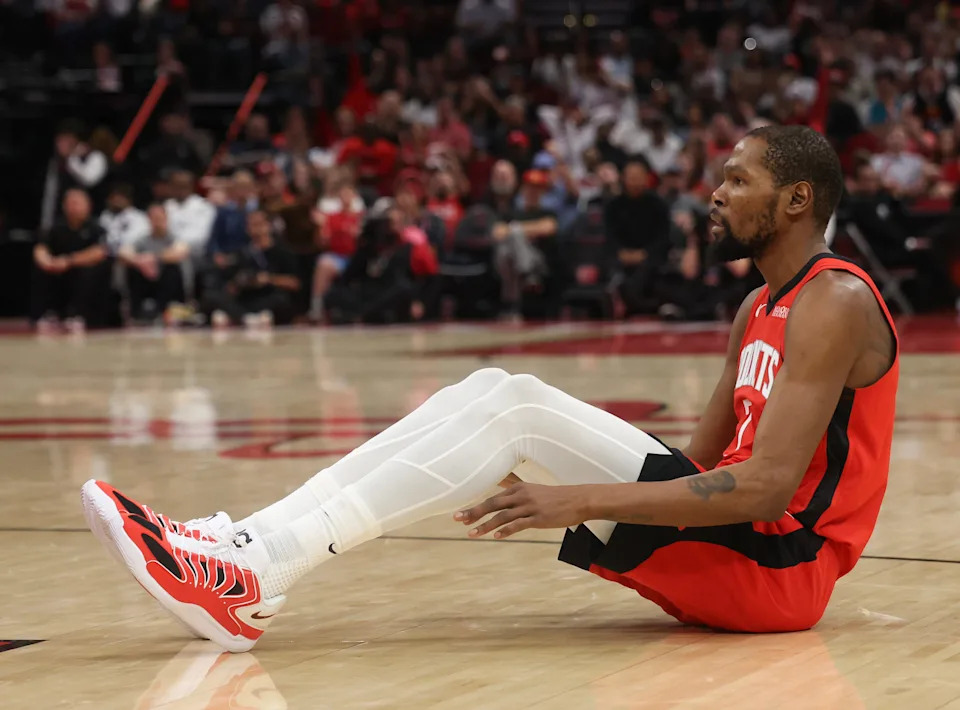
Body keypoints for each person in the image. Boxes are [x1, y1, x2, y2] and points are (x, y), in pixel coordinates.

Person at [82, 126, 899, 654]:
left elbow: (764, 487)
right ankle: (246, 553)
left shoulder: (837, 299)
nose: (715, 193)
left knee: (517, 407)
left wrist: (573, 497)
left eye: (738, 179)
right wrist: (574, 482)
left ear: (796, 200)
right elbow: (694, 464)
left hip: (783, 566)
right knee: (493, 389)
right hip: (735, 549)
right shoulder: (758, 304)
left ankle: (257, 573)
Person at [199, 209, 300, 327]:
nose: (256, 229)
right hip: (246, 298)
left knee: (282, 301)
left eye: (259, 224)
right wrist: (239, 283)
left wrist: (268, 279)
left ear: (268, 225)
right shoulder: (242, 252)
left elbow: (295, 283)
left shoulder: (283, 251)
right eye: (251, 225)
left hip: (269, 296)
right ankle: (246, 318)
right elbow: (230, 286)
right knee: (211, 297)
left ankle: (239, 317)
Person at [33, 189, 110, 332]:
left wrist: (69, 261)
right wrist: (47, 262)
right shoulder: (56, 228)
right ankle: (48, 313)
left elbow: (100, 252)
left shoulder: (96, 228)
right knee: (40, 271)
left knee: (90, 272)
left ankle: (77, 314)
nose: (73, 208)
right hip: (58, 268)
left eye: (77, 203)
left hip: (81, 268)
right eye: (70, 204)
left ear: (88, 206)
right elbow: (41, 248)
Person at [117, 204, 189, 323]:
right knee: (132, 270)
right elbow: (123, 252)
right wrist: (139, 261)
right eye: (154, 219)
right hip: (147, 280)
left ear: (166, 219)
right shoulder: (142, 239)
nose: (158, 222)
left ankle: (166, 311)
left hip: (167, 282)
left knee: (172, 269)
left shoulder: (174, 237)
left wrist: (154, 258)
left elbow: (181, 251)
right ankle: (137, 314)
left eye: (160, 218)